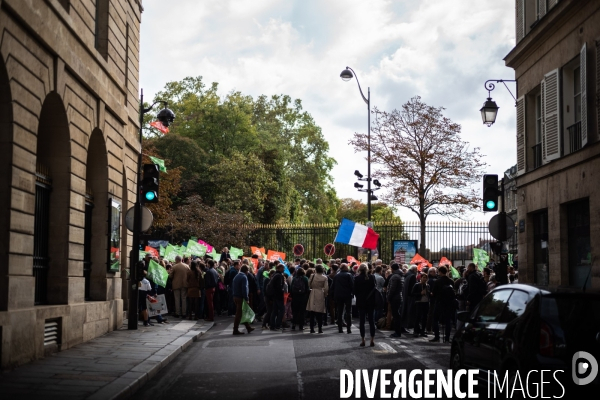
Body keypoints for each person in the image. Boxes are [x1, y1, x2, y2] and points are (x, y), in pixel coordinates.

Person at [429, 266, 456, 343]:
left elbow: (433, 293)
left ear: (440, 272)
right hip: (449, 303)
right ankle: (447, 338)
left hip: (439, 302)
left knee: (435, 319)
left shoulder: (437, 281)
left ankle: (437, 336)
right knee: (448, 321)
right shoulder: (451, 281)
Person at [354, 264, 376, 347]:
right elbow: (374, 289)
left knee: (361, 322)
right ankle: (372, 340)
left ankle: (363, 340)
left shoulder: (357, 278)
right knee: (371, 321)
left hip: (361, 302)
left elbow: (355, 291)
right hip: (371, 302)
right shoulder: (372, 277)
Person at [331, 263, 354, 334]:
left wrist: (333, 296)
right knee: (348, 312)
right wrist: (353, 293)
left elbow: (332, 286)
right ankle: (348, 328)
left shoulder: (336, 276)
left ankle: (340, 328)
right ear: (345, 268)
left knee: (339, 312)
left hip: (338, 296)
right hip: (347, 295)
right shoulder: (349, 275)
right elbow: (352, 285)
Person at [232, 265, 255, 335]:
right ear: (246, 271)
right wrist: (246, 298)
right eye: (248, 270)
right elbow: (244, 288)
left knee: (242, 313)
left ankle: (248, 327)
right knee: (239, 314)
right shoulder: (244, 277)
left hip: (235, 296)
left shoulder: (237, 276)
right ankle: (235, 329)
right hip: (240, 297)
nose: (248, 272)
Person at [306, 265, 329, 333]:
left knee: (312, 312)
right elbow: (326, 288)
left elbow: (309, 284)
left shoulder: (312, 276)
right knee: (320, 312)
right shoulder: (324, 277)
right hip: (320, 293)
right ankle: (320, 328)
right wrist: (325, 294)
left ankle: (312, 328)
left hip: (313, 292)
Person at [387, 263, 405, 338]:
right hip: (399, 296)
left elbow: (392, 289)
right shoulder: (400, 275)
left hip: (395, 297)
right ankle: (398, 330)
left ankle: (397, 332)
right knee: (397, 314)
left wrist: (388, 297)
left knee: (396, 315)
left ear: (392, 269)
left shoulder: (395, 276)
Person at [268, 264, 286, 331]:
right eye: (283, 268)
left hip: (274, 295)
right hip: (278, 295)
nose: (284, 269)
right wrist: (282, 291)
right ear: (280, 268)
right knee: (282, 310)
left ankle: (272, 325)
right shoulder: (279, 276)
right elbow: (279, 287)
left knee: (274, 310)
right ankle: (278, 325)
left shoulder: (274, 274)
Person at [401, 265, 418, 333]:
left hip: (405, 296)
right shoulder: (412, 276)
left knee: (405, 311)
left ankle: (403, 326)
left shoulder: (407, 275)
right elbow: (412, 288)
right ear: (414, 270)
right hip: (410, 297)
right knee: (409, 312)